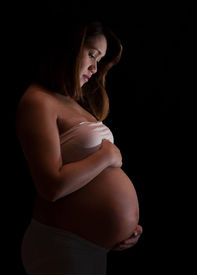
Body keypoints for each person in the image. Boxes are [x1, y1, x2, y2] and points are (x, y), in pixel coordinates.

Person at [16, 20, 143, 275]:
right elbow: (51, 186)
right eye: (92, 55)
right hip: (61, 246)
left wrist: (127, 228)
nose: (95, 68)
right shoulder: (38, 101)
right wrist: (106, 157)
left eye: (100, 60)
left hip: (89, 248)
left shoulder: (72, 102)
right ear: (70, 48)